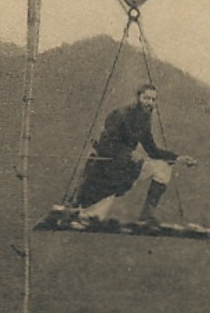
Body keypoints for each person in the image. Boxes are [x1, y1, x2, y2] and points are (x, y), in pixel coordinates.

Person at [69, 83, 197, 224]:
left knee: (163, 168)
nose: (150, 103)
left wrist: (178, 158)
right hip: (105, 169)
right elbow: (105, 144)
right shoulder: (120, 115)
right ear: (138, 98)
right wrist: (129, 153)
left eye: (153, 100)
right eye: (146, 98)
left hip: (125, 169)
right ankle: (78, 211)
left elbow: (152, 150)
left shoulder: (144, 120)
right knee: (89, 216)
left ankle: (147, 215)